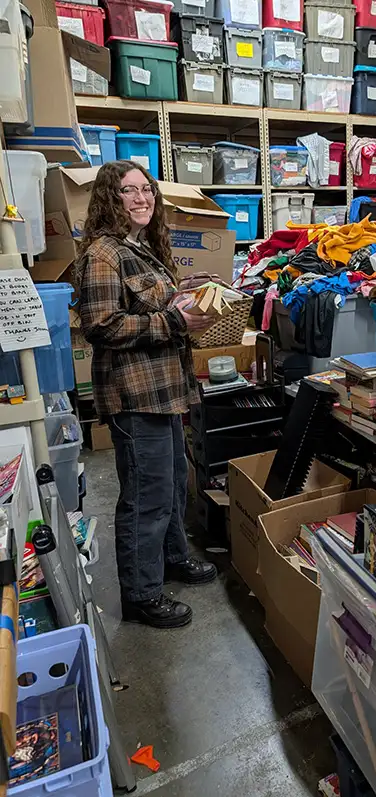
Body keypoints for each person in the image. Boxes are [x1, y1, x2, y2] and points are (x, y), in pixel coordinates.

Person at [76, 160, 217, 630]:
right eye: (129, 191)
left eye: (147, 190)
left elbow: (148, 305)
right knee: (147, 495)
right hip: (135, 395)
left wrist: (187, 296)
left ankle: (174, 557)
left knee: (174, 482)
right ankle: (141, 594)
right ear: (109, 199)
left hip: (167, 389)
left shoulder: (138, 248)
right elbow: (100, 325)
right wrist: (174, 320)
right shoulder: (103, 255)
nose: (142, 199)